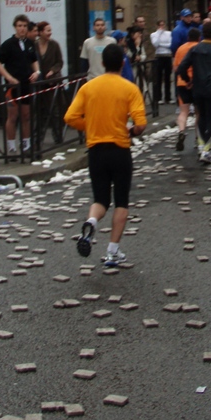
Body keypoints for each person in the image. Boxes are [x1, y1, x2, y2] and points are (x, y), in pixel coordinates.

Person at [65, 43, 147, 267]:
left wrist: (90, 125)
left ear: (102, 63)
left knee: (100, 198)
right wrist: (130, 130)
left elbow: (70, 117)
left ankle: (91, 221)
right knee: (121, 200)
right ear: (122, 63)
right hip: (120, 149)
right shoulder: (129, 88)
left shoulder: (89, 87)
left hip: (96, 150)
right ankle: (112, 251)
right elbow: (140, 124)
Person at [177, 21, 211, 164]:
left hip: (197, 88)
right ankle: (205, 149)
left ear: (202, 33)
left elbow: (181, 68)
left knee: (201, 116)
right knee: (210, 118)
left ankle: (200, 146)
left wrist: (188, 80)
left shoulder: (195, 50)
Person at [0, 14, 41, 156]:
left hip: (26, 84)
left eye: (24, 26)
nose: (22, 29)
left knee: (26, 115)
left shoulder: (29, 43)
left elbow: (34, 60)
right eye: (19, 26)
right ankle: (11, 146)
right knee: (12, 116)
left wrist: (37, 71)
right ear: (15, 27)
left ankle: (26, 144)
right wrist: (8, 77)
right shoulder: (8, 44)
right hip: (13, 86)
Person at [35, 21, 64, 142]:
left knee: (55, 109)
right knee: (39, 110)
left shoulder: (54, 45)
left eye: (50, 30)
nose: (50, 33)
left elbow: (59, 62)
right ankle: (38, 137)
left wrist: (52, 71)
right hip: (39, 82)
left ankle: (57, 134)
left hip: (52, 81)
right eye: (47, 30)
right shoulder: (34, 45)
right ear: (40, 32)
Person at [172, 27, 200, 152]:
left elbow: (176, 67)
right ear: (199, 37)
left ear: (188, 37)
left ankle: (181, 131)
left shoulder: (181, 49)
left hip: (182, 82)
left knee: (184, 111)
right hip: (196, 83)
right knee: (199, 112)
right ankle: (198, 137)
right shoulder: (200, 48)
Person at [150, 19, 173, 104]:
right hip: (159, 56)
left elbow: (170, 44)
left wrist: (161, 45)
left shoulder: (169, 33)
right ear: (157, 26)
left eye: (163, 25)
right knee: (158, 77)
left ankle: (168, 97)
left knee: (167, 77)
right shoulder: (154, 34)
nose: (162, 27)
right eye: (160, 25)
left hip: (167, 56)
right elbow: (155, 44)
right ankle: (158, 97)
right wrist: (159, 34)